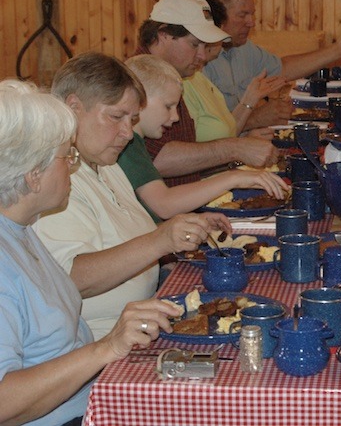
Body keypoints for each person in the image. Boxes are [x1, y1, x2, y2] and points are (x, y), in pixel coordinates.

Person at [0, 79, 184, 425]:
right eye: (66, 157)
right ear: (33, 176)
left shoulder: (20, 228)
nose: (72, 166)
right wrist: (106, 347)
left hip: (92, 395)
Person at [33, 52, 230, 340]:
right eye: (116, 117)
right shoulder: (55, 179)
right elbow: (70, 277)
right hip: (101, 341)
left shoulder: (104, 161)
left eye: (133, 118)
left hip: (147, 319)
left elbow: (128, 239)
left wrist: (180, 228)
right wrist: (160, 240)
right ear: (73, 107)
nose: (128, 133)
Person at [136, 0, 283, 187]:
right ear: (163, 35)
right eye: (194, 44)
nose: (202, 56)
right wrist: (235, 149)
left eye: (205, 47)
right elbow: (155, 161)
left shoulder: (170, 75)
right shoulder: (139, 80)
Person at [119, 54, 289, 223]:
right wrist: (233, 178)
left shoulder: (137, 144)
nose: (176, 117)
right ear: (139, 99)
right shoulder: (127, 146)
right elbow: (164, 204)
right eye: (168, 106)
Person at [203, 0, 341, 111]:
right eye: (242, 15)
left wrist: (338, 50)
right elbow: (209, 130)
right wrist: (256, 118)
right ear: (218, 16)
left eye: (252, 14)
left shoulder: (243, 47)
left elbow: (283, 68)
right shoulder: (200, 59)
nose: (251, 22)